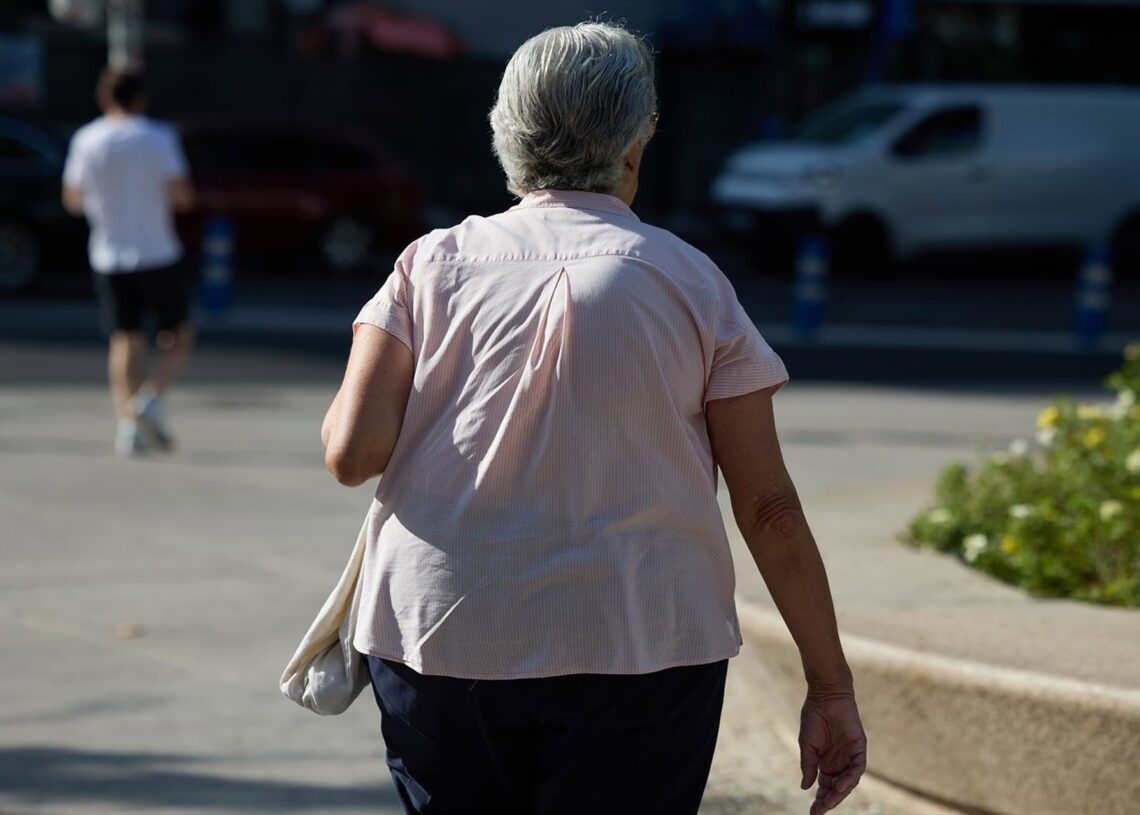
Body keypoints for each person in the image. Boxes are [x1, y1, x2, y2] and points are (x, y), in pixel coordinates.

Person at [320, 21, 866, 815]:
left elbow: (351, 453)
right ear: (635, 145)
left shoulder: (429, 263)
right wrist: (831, 687)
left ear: (507, 133)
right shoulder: (691, 280)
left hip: (444, 631)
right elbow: (769, 508)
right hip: (643, 640)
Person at [63, 68, 196, 457]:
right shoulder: (159, 137)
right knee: (178, 334)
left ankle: (127, 426)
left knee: (125, 340)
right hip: (158, 251)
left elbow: (72, 200)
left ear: (104, 99)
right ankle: (149, 400)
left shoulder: (86, 139)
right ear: (141, 99)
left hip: (108, 254)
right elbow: (182, 196)